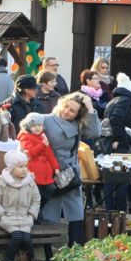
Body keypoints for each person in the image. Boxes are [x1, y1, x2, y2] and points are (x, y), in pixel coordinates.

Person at [42, 92, 100, 249]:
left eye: (72, 110)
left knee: (75, 212)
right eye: (66, 106)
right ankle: (48, 254)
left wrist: (89, 106)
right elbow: (27, 130)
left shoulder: (77, 124)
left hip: (71, 173)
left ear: (77, 115)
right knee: (50, 212)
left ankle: (75, 252)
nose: (66, 111)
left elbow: (95, 133)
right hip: (50, 173)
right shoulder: (46, 119)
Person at [0, 149, 41, 261]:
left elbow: (36, 200)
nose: (24, 169)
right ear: (12, 169)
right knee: (17, 236)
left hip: (25, 217)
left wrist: (31, 215)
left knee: (27, 239)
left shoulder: (30, 182)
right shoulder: (3, 182)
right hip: (8, 217)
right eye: (20, 166)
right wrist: (1, 215)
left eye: (25, 166)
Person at [103, 73, 131, 212]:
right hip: (118, 147)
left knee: (110, 178)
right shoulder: (125, 100)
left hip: (109, 144)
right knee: (122, 179)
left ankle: (109, 211)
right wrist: (122, 140)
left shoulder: (113, 100)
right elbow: (116, 121)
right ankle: (119, 213)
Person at [17, 112, 60, 209]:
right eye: (34, 126)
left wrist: (56, 167)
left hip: (45, 171)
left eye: (39, 125)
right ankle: (35, 213)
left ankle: (38, 210)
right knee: (36, 194)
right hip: (33, 171)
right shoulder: (25, 137)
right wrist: (42, 145)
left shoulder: (43, 136)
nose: (37, 128)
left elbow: (50, 154)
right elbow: (30, 153)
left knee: (51, 189)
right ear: (28, 126)